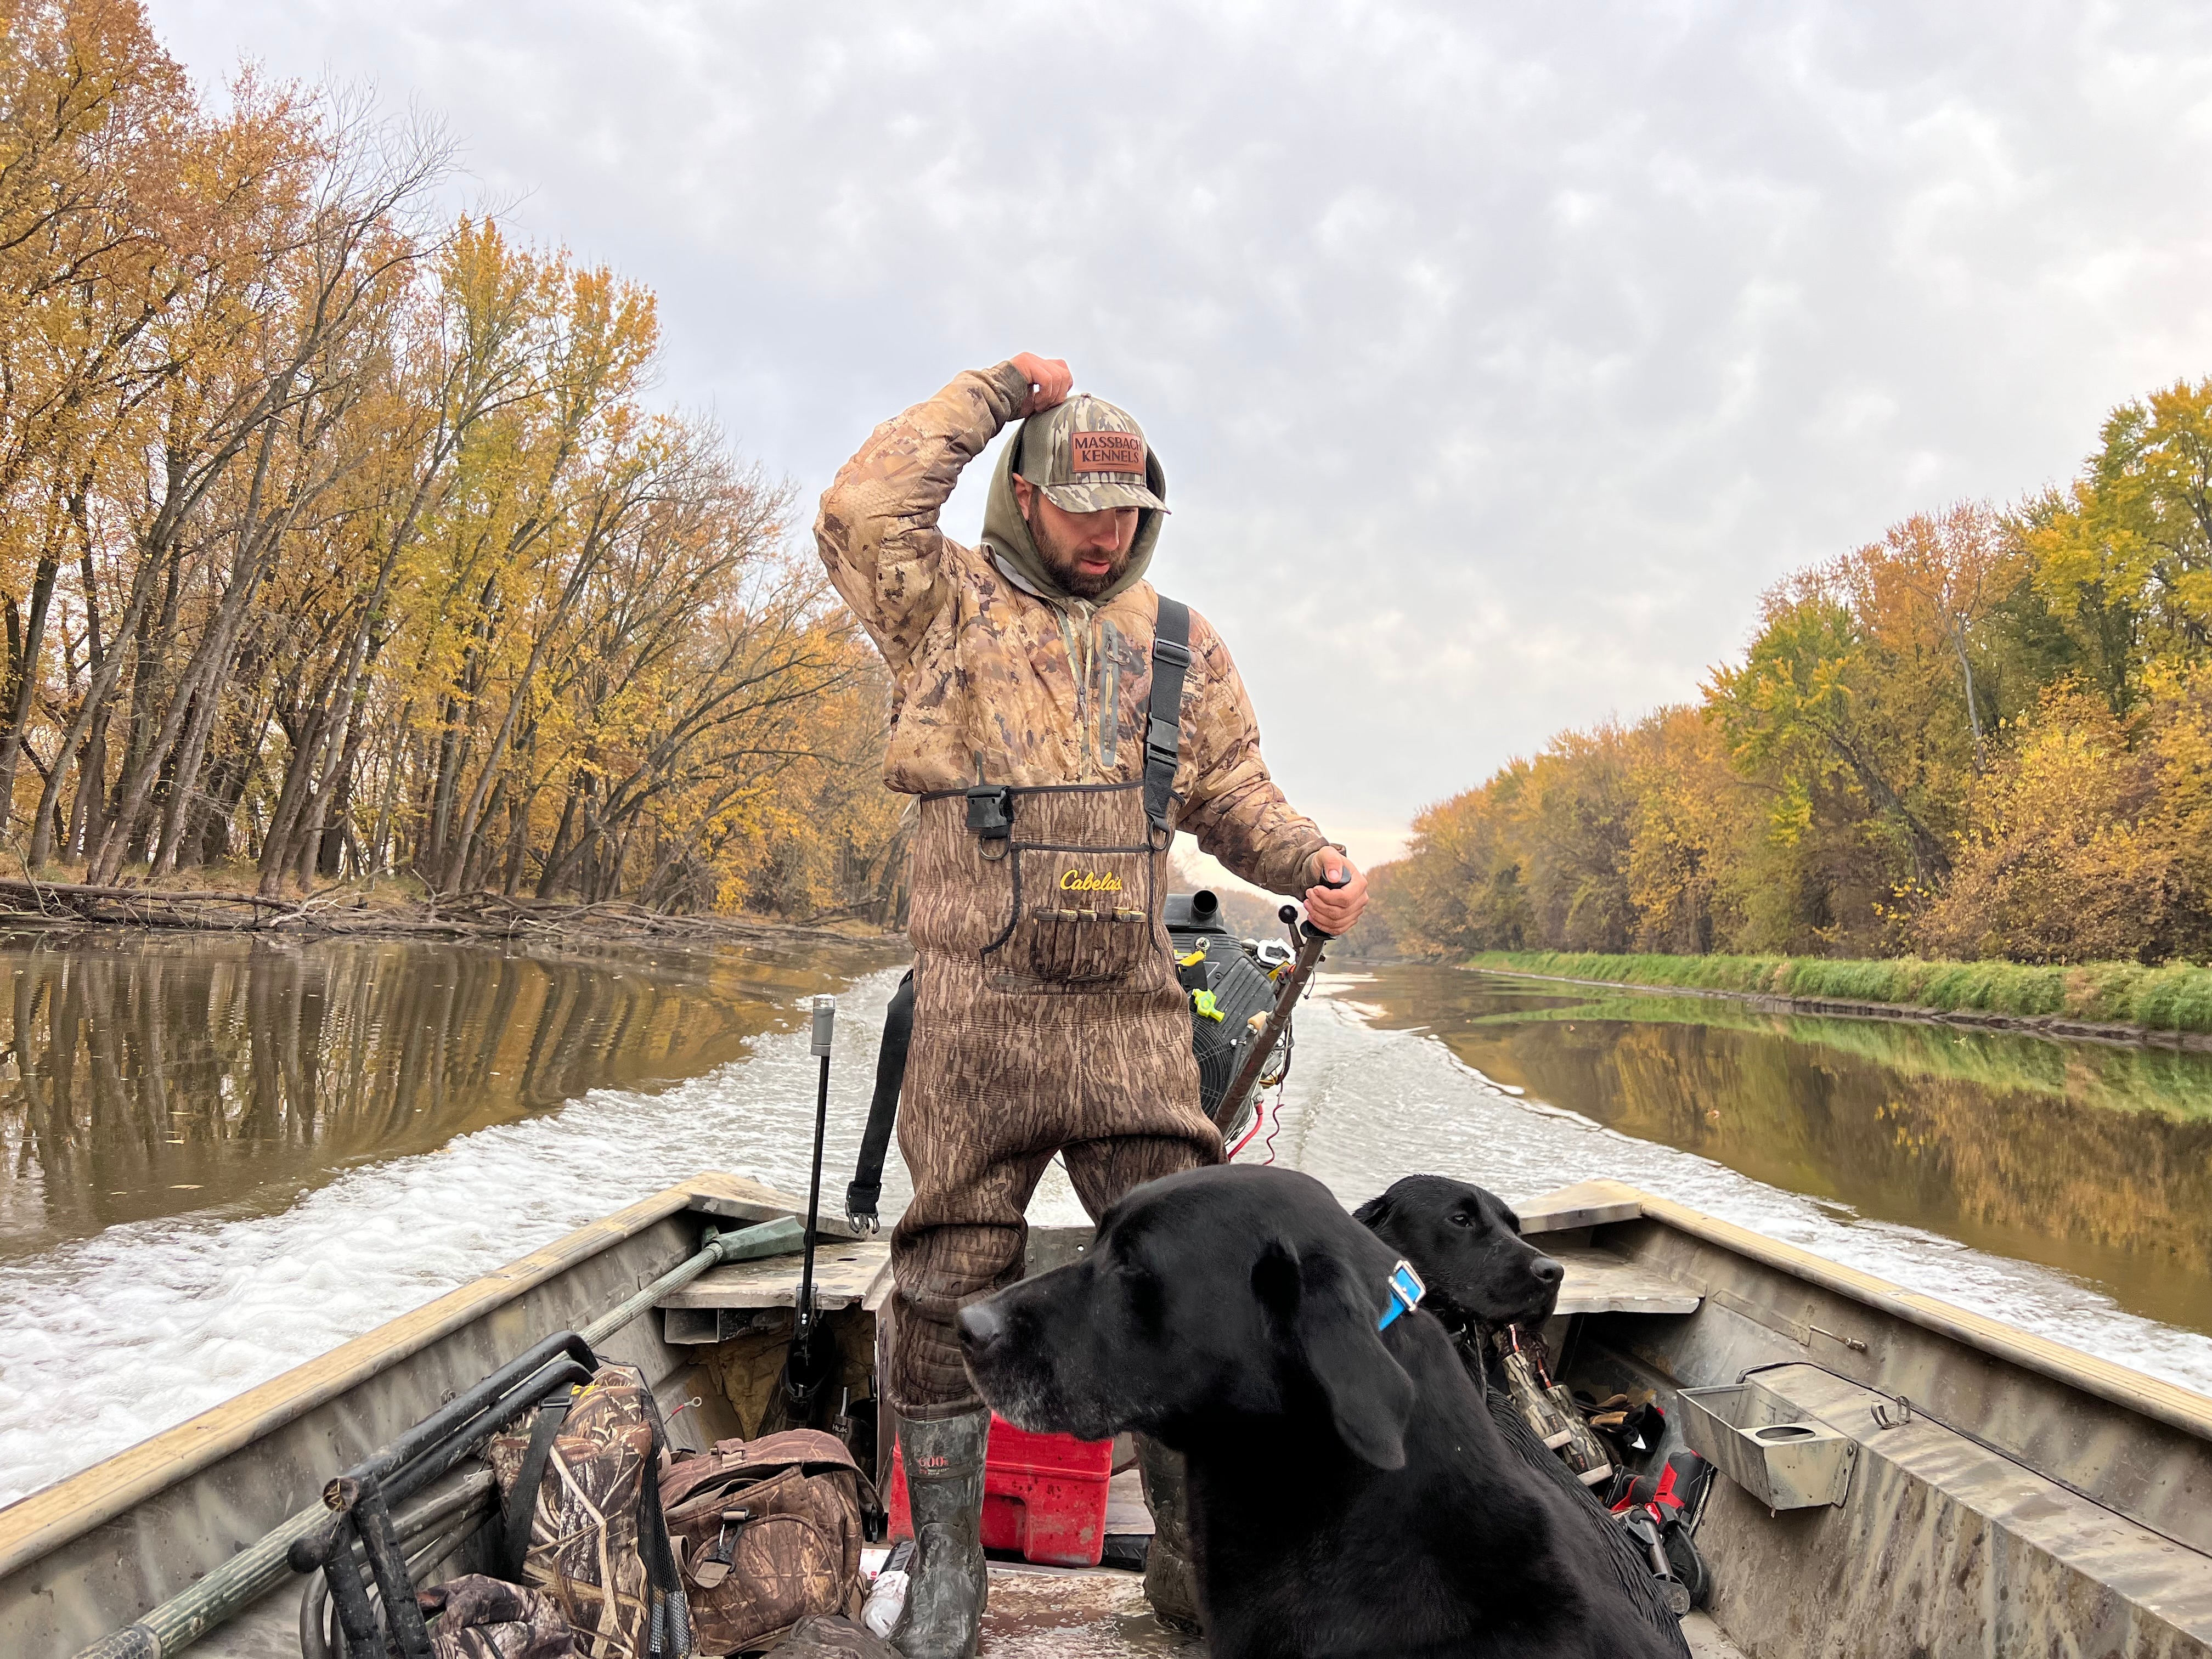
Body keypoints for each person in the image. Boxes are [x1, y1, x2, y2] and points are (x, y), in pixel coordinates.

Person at [814, 354, 1368, 1659]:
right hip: (978, 1020)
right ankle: (944, 1557)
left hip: (1132, 1024)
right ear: (1026, 492)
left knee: (1200, 1275)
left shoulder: (1179, 644)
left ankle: (1196, 1560)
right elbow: (859, 510)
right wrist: (997, 389)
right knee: (946, 1271)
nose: (1106, 532)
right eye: (1081, 506)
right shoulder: (937, 606)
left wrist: (1312, 867)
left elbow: (1234, 796)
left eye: (1129, 511)